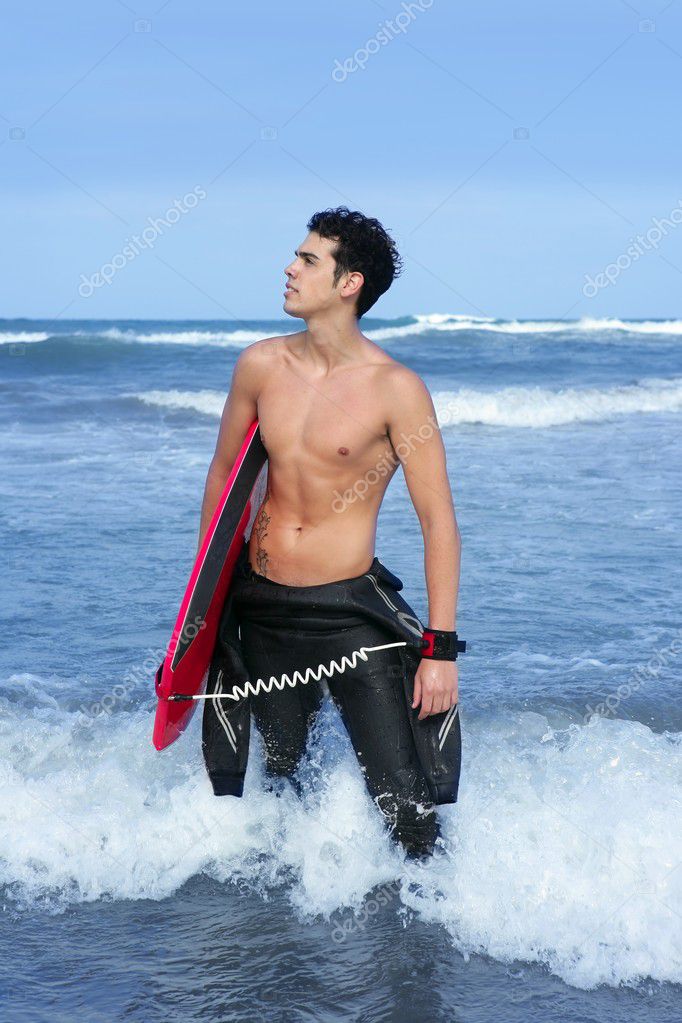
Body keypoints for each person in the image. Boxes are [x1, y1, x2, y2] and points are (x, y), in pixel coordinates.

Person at [198, 206, 464, 858]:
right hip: (263, 609)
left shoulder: (395, 389)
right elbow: (224, 479)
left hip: (349, 618)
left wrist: (441, 648)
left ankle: (431, 939)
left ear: (349, 283)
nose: (289, 267)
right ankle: (292, 941)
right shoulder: (260, 366)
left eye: (308, 259)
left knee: (407, 806)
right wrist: (206, 610)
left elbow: (439, 521)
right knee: (282, 783)